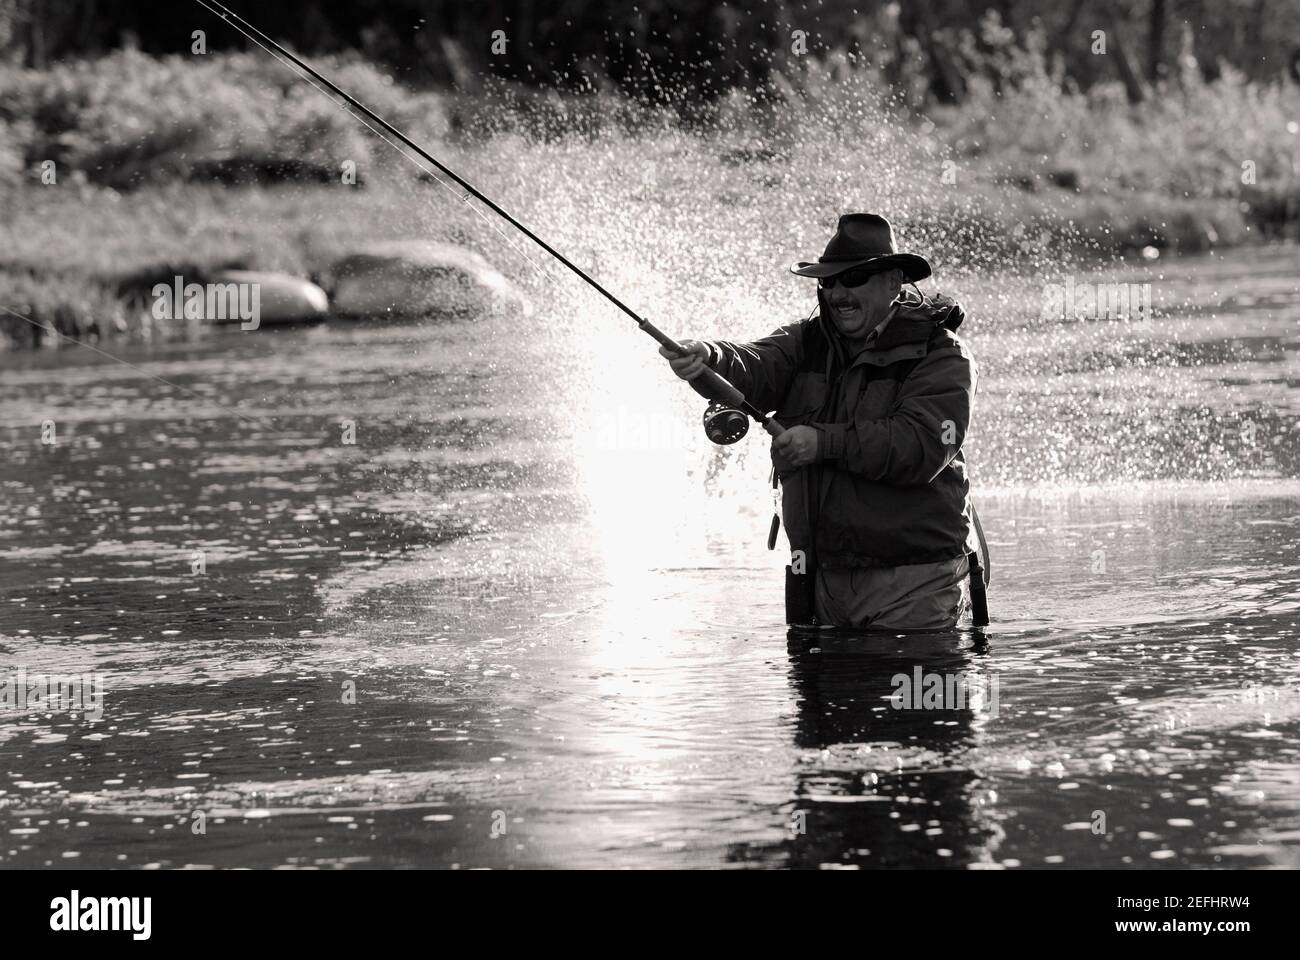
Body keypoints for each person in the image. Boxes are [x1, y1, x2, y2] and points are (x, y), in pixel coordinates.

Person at [662, 213, 986, 631]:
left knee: (908, 693)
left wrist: (822, 444)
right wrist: (709, 358)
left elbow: (920, 447)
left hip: (916, 580)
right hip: (818, 580)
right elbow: (755, 367)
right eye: (828, 282)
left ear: (893, 281)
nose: (837, 293)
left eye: (852, 279)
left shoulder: (944, 356)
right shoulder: (804, 342)